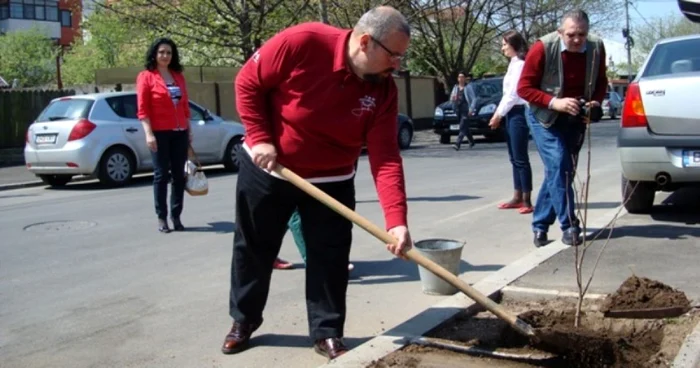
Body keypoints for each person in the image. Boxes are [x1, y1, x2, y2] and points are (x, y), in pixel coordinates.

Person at [222, 6, 413, 361]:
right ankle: (244, 320)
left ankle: (326, 332)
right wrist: (261, 137)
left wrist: (396, 220)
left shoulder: (384, 89)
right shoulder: (303, 42)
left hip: (333, 178)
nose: (397, 66)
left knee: (330, 256)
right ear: (366, 42)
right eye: (394, 55)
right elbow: (247, 82)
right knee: (254, 248)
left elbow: (385, 157)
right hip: (271, 168)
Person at [517, 10, 607, 247]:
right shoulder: (542, 48)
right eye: (571, 34)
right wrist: (554, 102)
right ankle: (569, 225)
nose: (577, 40)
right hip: (543, 116)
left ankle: (539, 226)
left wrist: (595, 101)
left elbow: (601, 81)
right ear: (560, 33)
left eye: (582, 34)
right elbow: (523, 89)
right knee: (559, 163)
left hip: (574, 116)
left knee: (560, 170)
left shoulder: (596, 47)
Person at [136, 37, 192, 233]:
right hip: (159, 133)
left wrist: (188, 130)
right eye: (161, 52)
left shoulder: (178, 76)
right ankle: (162, 218)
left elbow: (185, 106)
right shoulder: (146, 76)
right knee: (161, 175)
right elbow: (143, 109)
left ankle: (176, 216)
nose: (165, 56)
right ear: (155, 54)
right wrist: (148, 134)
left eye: (168, 52)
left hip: (180, 132)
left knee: (179, 176)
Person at [275, 160, 360, 272]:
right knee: (296, 217)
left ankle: (263, 252)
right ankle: (316, 262)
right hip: (290, 170)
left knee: (283, 218)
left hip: (322, 172)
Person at [488, 30, 533, 214]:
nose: (503, 48)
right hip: (510, 112)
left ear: (514, 44)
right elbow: (506, 94)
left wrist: (498, 115)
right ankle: (517, 195)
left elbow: (515, 94)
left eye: (505, 44)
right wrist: (498, 113)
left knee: (521, 157)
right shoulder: (513, 64)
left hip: (519, 112)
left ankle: (527, 200)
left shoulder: (521, 64)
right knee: (514, 157)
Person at [450, 72, 476, 150]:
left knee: (462, 126)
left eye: (462, 77)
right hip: (458, 109)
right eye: (459, 77)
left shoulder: (468, 87)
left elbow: (474, 99)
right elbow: (452, 98)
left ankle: (458, 144)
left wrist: (471, 109)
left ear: (465, 78)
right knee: (465, 127)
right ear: (458, 79)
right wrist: (453, 100)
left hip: (466, 109)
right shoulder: (455, 87)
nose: (461, 79)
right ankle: (471, 141)